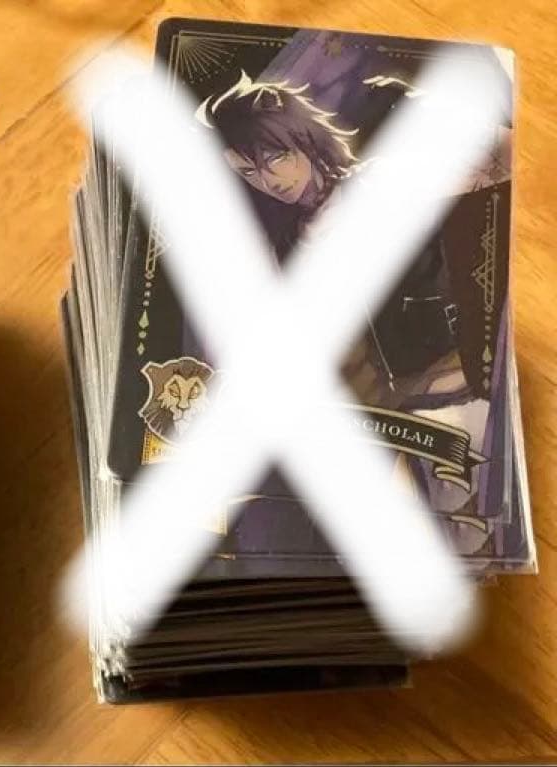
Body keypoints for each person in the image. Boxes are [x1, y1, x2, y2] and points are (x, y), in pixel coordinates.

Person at [197, 72, 512, 554]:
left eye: (275, 156)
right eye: (249, 172)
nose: (270, 180)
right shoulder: (286, 248)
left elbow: (500, 163)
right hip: (382, 411)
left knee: (473, 520)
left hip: (451, 380)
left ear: (302, 138)